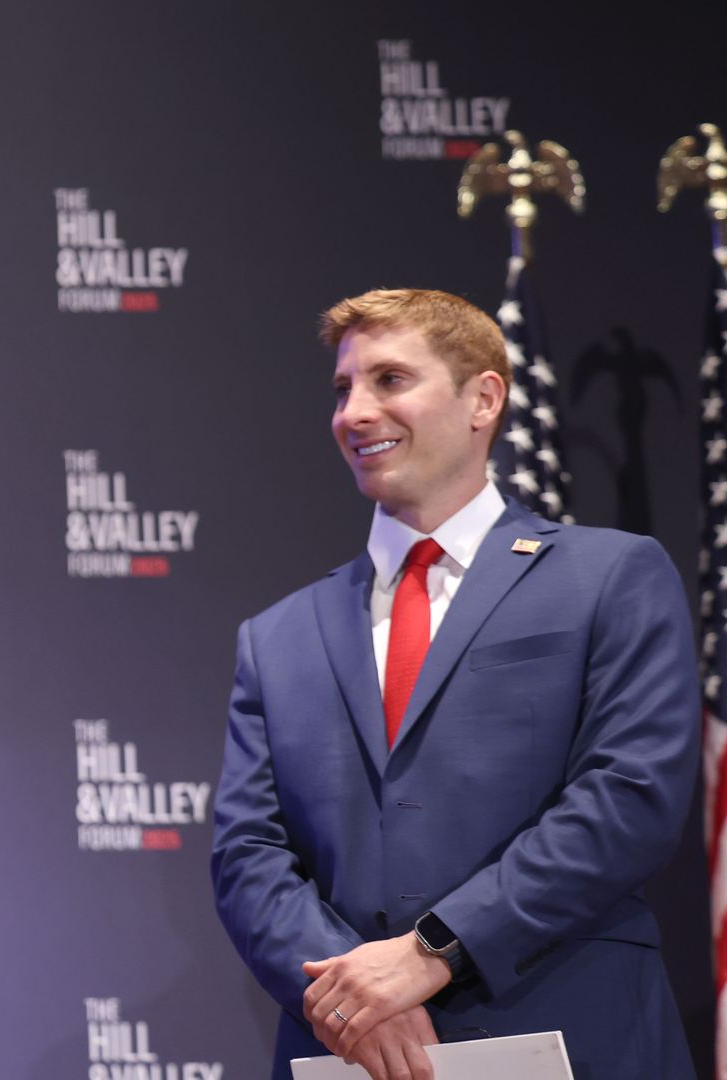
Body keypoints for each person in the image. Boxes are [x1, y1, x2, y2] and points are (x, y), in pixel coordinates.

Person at [209, 288, 698, 1080]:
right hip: (348, 1053)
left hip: (573, 1035)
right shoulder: (277, 636)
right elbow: (247, 854)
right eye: (343, 389)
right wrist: (352, 999)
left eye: (390, 380)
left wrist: (437, 949)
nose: (355, 412)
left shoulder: (611, 575)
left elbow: (630, 797)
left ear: (484, 399)